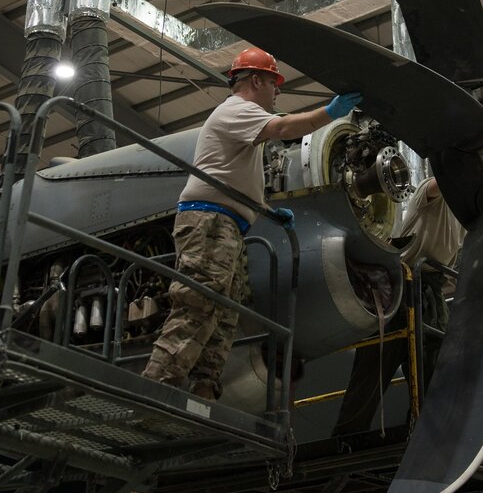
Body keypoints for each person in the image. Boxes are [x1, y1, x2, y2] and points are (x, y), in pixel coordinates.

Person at [143, 46, 362, 400]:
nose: (277, 92)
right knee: (199, 304)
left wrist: (266, 210)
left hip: (227, 225)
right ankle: (154, 391)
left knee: (225, 315)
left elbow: (234, 178)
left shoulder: (244, 122)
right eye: (274, 83)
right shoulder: (237, 110)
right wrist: (331, 112)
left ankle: (203, 395)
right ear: (256, 81)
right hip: (210, 222)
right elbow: (286, 127)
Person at [332, 176, 466, 435]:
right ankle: (347, 437)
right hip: (402, 285)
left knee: (436, 367)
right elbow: (440, 183)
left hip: (430, 290)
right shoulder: (429, 191)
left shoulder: (462, 214)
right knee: (373, 369)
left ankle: (423, 434)